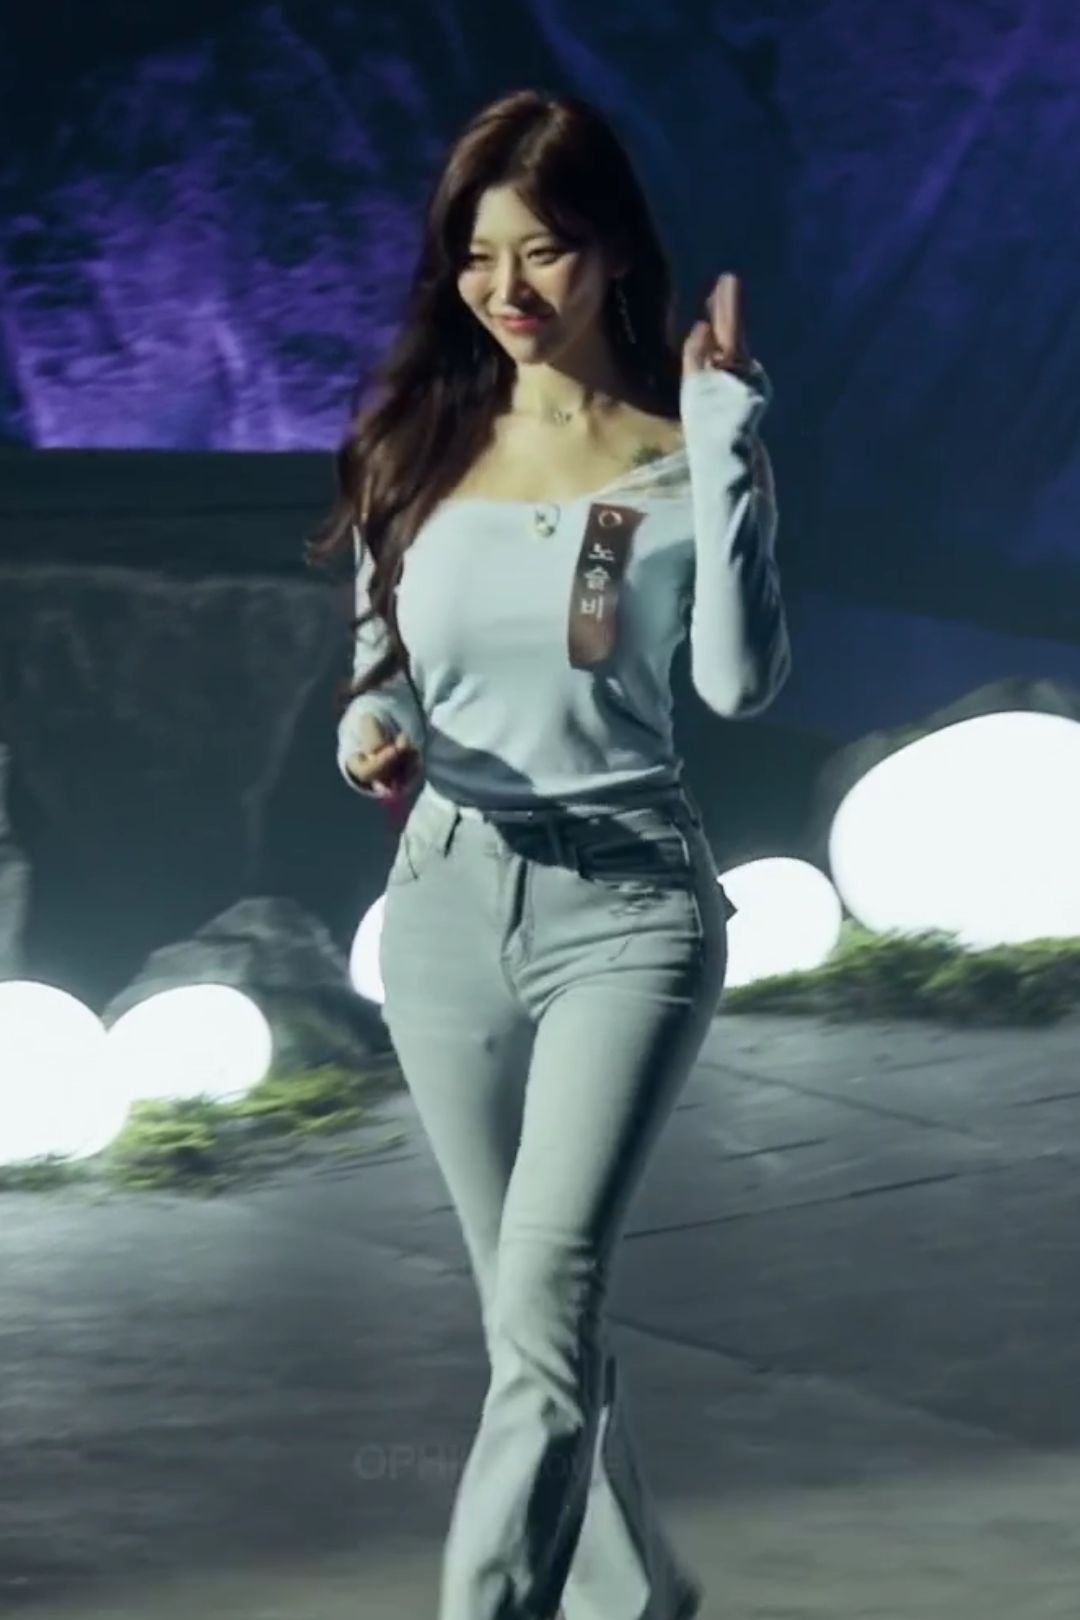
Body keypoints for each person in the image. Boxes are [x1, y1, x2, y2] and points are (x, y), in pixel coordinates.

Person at [306, 88, 789, 1620]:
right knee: (531, 1322)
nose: (505, 288)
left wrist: (729, 451)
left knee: (546, 1303)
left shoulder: (671, 461)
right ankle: (633, 1596)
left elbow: (738, 685)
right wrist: (371, 730)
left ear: (615, 253)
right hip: (444, 907)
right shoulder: (411, 448)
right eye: (476, 255)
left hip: (628, 912)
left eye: (544, 251)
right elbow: (381, 673)